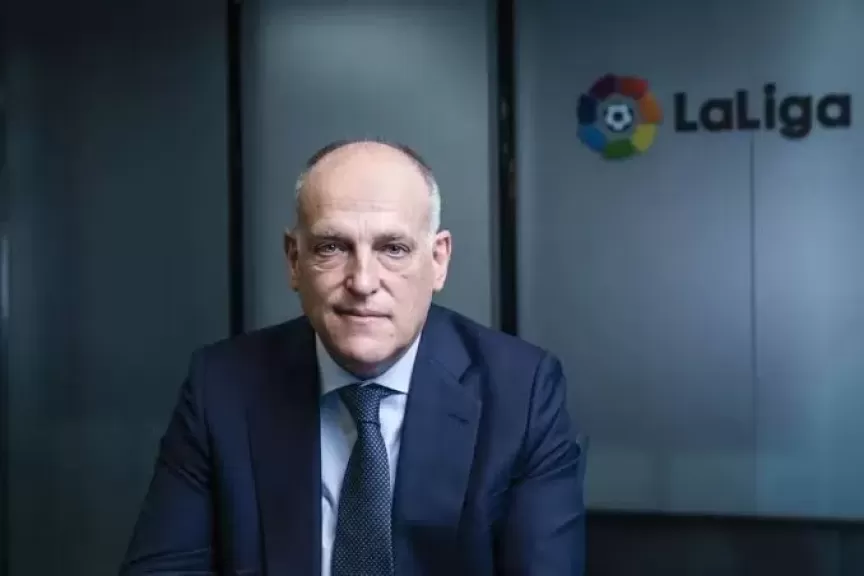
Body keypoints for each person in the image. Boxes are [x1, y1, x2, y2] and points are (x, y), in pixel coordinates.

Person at [120, 139, 585, 575]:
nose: (362, 282)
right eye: (332, 247)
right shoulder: (221, 385)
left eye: (393, 249)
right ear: (294, 260)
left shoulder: (522, 393)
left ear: (438, 260)